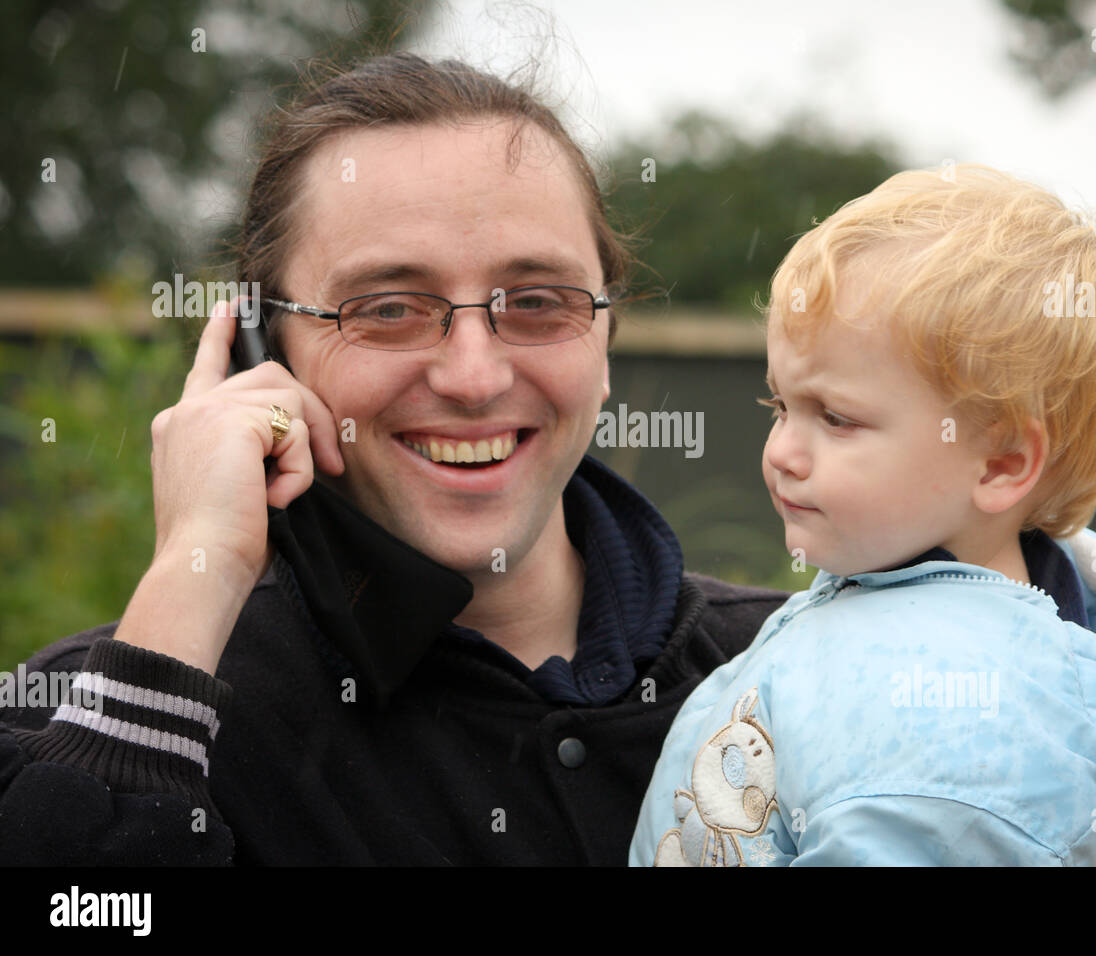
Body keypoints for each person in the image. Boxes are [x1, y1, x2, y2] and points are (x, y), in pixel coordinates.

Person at [0, 52, 789, 865]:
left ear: (606, 340)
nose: (475, 377)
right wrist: (187, 592)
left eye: (538, 301)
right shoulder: (84, 723)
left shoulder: (795, 671)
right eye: (387, 309)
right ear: (260, 353)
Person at [630, 165, 1096, 866]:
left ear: (1002, 464)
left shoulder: (963, 729)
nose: (783, 453)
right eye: (780, 406)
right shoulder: (871, 622)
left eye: (835, 417)